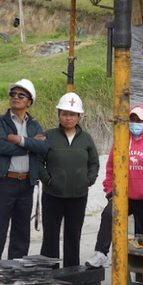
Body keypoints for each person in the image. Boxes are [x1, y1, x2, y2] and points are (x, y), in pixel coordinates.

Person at [86, 105, 143, 268]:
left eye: (139, 120)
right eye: (132, 120)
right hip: (124, 197)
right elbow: (110, 168)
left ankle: (141, 271)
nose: (135, 123)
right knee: (108, 215)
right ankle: (101, 253)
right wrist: (110, 192)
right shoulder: (121, 142)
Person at [0, 79, 49, 261]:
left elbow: (44, 148)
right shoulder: (0, 122)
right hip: (5, 181)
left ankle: (16, 270)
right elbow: (1, 147)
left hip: (26, 183)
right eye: (13, 94)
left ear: (29, 101)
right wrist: (30, 144)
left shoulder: (34, 125)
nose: (15, 98)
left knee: (22, 229)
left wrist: (18, 140)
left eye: (21, 95)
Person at [39, 93, 100, 267]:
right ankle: (49, 272)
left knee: (73, 235)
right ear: (59, 115)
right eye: (65, 113)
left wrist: (89, 180)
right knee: (50, 236)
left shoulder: (86, 138)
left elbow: (94, 162)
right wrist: (47, 180)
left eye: (72, 114)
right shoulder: (49, 136)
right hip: (52, 195)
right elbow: (38, 161)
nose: (68, 118)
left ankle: (72, 273)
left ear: (79, 116)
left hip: (78, 196)